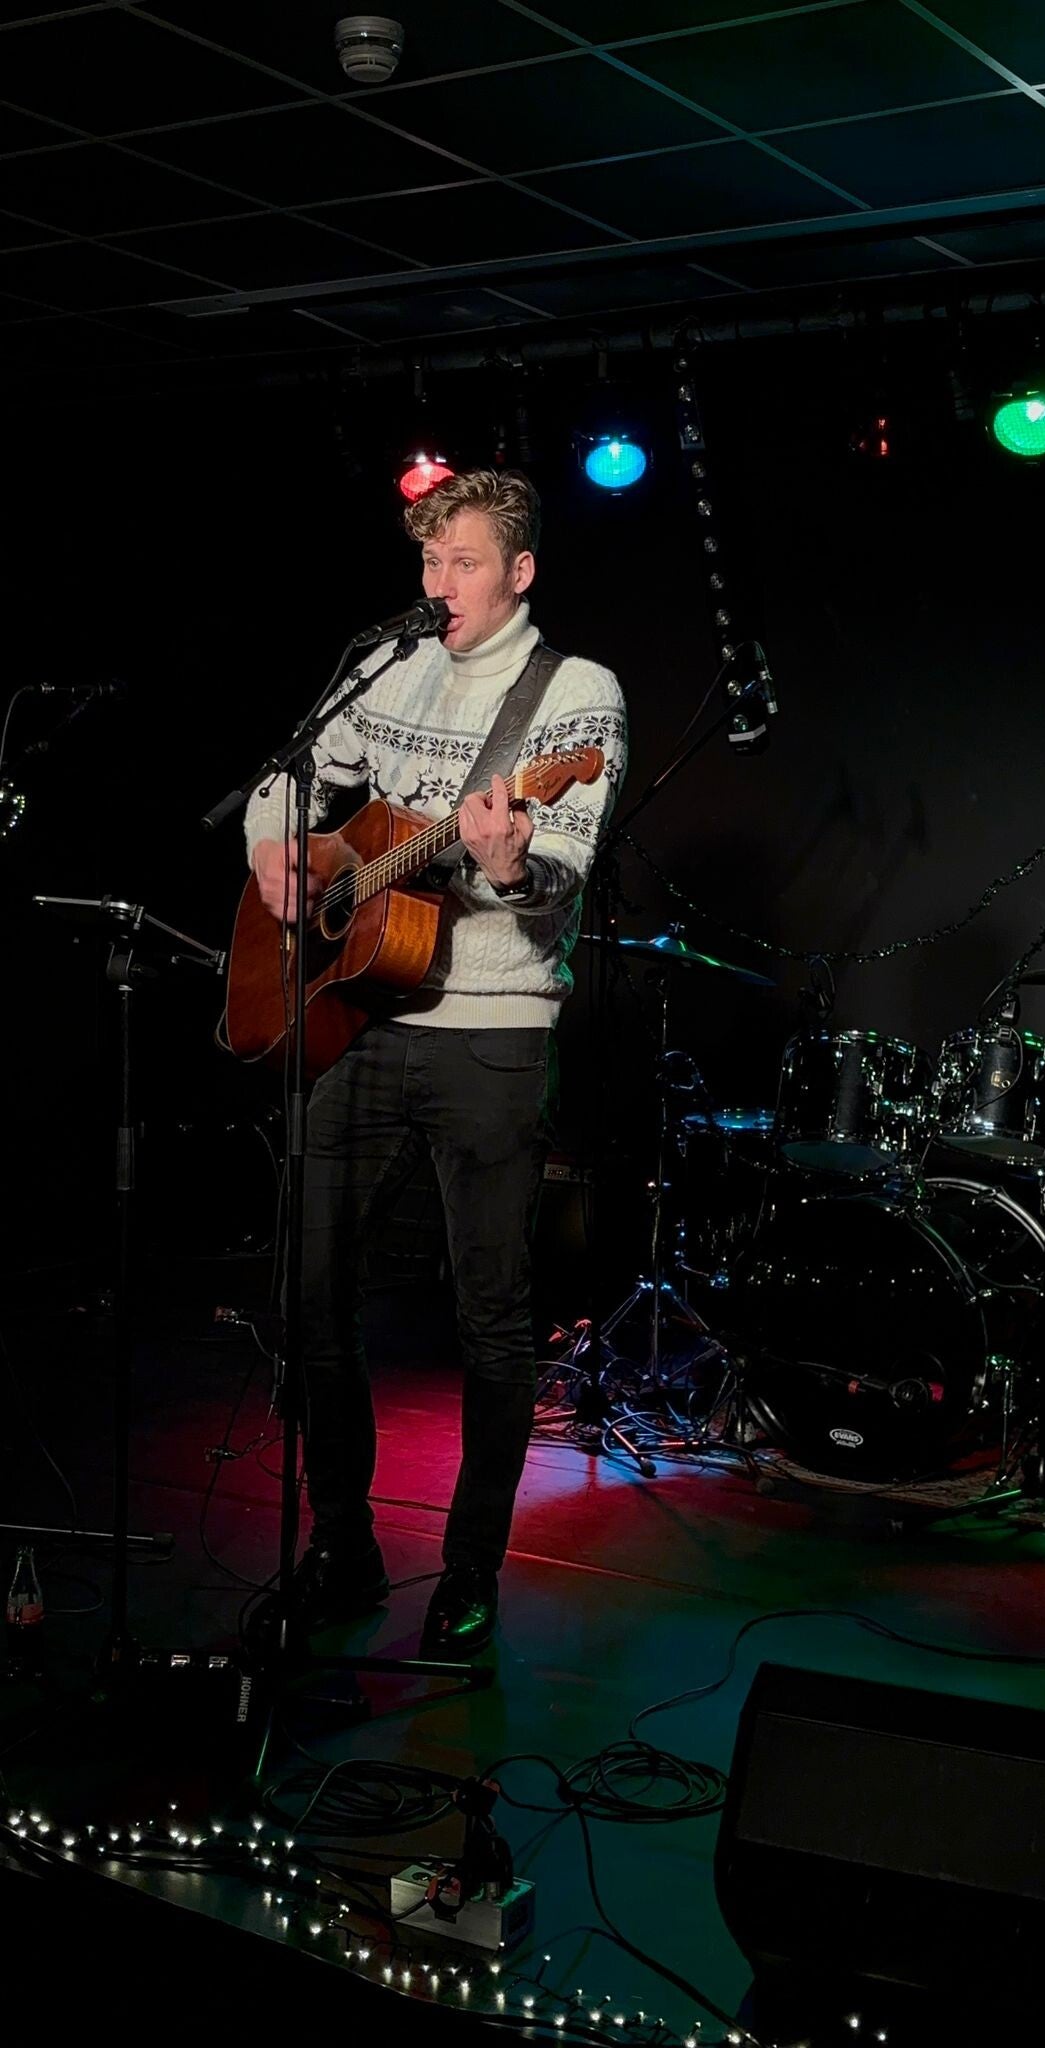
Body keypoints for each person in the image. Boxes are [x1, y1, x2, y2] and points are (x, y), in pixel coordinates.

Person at [244, 469, 626, 1655]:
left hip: (495, 1033)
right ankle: (342, 1544)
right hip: (364, 1020)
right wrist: (278, 850)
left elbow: (558, 865)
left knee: (491, 1314)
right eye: (428, 560)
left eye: (463, 561)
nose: (439, 582)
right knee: (309, 1290)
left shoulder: (575, 694)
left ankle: (469, 1571)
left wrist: (508, 862)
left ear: (520, 571)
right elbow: (288, 776)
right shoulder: (390, 664)